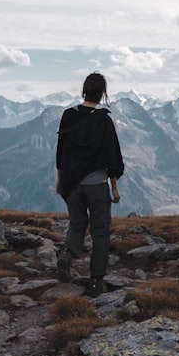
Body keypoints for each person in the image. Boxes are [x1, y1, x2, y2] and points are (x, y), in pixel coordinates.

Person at [55, 72, 124, 297]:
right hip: (96, 184)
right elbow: (112, 156)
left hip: (71, 183)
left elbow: (61, 152)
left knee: (77, 223)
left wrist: (60, 180)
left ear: (84, 89)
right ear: (103, 93)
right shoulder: (103, 120)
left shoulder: (68, 115)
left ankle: (67, 254)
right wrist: (114, 186)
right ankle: (96, 281)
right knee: (100, 230)